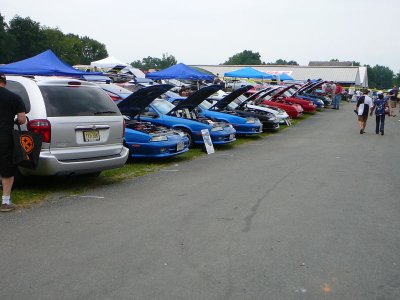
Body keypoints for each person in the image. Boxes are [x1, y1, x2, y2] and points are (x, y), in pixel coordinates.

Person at [0, 73, 27, 212]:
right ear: (4, 82)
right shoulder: (14, 97)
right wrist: (14, 120)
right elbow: (22, 119)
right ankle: (5, 202)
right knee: (6, 168)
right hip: (4, 136)